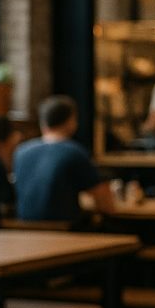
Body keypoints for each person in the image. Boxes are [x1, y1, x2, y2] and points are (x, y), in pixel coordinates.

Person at [14, 95, 116, 225]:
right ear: (71, 120)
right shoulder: (74, 152)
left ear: (43, 122)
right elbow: (105, 205)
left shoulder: (21, 152)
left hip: (24, 231)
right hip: (64, 230)